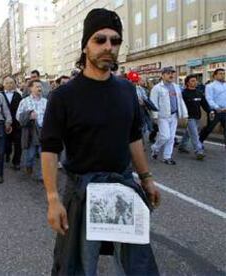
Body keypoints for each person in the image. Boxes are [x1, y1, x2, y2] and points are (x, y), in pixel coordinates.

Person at [40, 9, 160, 275]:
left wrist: (147, 178)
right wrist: (52, 198)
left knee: (136, 268)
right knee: (76, 267)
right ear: (85, 45)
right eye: (100, 39)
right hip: (83, 192)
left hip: (123, 188)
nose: (109, 46)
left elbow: (133, 137)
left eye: (115, 41)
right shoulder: (63, 96)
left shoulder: (127, 90)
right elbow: (50, 149)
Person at [150, 67, 188, 165]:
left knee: (171, 137)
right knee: (165, 136)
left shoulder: (176, 87)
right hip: (163, 116)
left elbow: (180, 100)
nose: (171, 75)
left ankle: (167, 157)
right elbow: (153, 103)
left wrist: (183, 113)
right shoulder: (157, 88)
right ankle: (155, 148)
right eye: (168, 73)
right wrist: (155, 116)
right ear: (162, 75)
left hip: (174, 115)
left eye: (172, 73)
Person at [16, 79, 47, 181]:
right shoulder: (24, 102)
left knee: (44, 154)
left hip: (43, 131)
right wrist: (29, 116)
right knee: (31, 155)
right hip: (31, 131)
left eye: (40, 86)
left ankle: (44, 175)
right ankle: (29, 165)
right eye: (37, 86)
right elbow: (18, 116)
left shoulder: (45, 101)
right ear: (30, 88)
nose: (39, 88)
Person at [178, 74, 212, 159]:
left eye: (195, 80)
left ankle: (182, 146)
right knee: (194, 134)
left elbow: (204, 104)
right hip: (188, 117)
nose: (195, 82)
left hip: (197, 116)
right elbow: (180, 105)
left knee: (188, 133)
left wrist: (210, 111)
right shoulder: (183, 93)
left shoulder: (199, 93)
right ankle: (199, 151)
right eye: (192, 81)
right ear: (187, 83)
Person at [199, 68, 226, 147]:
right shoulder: (210, 86)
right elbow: (209, 99)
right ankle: (200, 141)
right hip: (215, 111)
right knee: (209, 128)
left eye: (223, 73)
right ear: (215, 75)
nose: (223, 75)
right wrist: (217, 108)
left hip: (225, 110)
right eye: (220, 74)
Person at [1, 76, 22, 170]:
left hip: (16, 123)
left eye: (11, 83)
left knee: (18, 143)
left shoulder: (18, 95)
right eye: (7, 83)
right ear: (3, 84)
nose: (9, 85)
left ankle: (16, 162)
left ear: (14, 84)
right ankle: (7, 153)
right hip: (4, 123)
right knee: (6, 143)